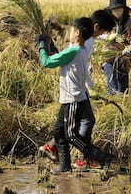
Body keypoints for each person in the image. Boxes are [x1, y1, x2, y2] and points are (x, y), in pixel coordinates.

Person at [38, 9, 117, 172]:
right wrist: (49, 45)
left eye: (72, 30)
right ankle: (65, 165)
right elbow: (63, 60)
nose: (69, 32)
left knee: (70, 135)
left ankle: (99, 157)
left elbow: (47, 62)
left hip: (73, 97)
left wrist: (41, 45)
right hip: (72, 95)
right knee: (59, 132)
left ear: (79, 34)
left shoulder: (76, 49)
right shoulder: (80, 48)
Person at [102, 4, 131, 95]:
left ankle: (122, 104)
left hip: (124, 60)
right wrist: (111, 38)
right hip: (109, 59)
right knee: (113, 89)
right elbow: (99, 35)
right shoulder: (107, 22)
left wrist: (127, 50)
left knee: (123, 90)